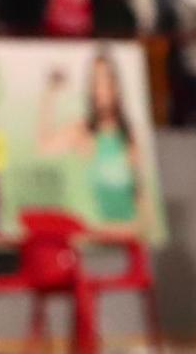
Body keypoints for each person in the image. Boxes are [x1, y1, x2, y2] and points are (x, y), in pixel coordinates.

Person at [37, 50, 146, 237]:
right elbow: (44, 146)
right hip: (94, 235)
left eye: (106, 80)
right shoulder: (83, 130)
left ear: (116, 84)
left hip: (128, 233)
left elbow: (139, 191)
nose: (101, 89)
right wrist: (50, 94)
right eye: (96, 81)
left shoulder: (129, 133)